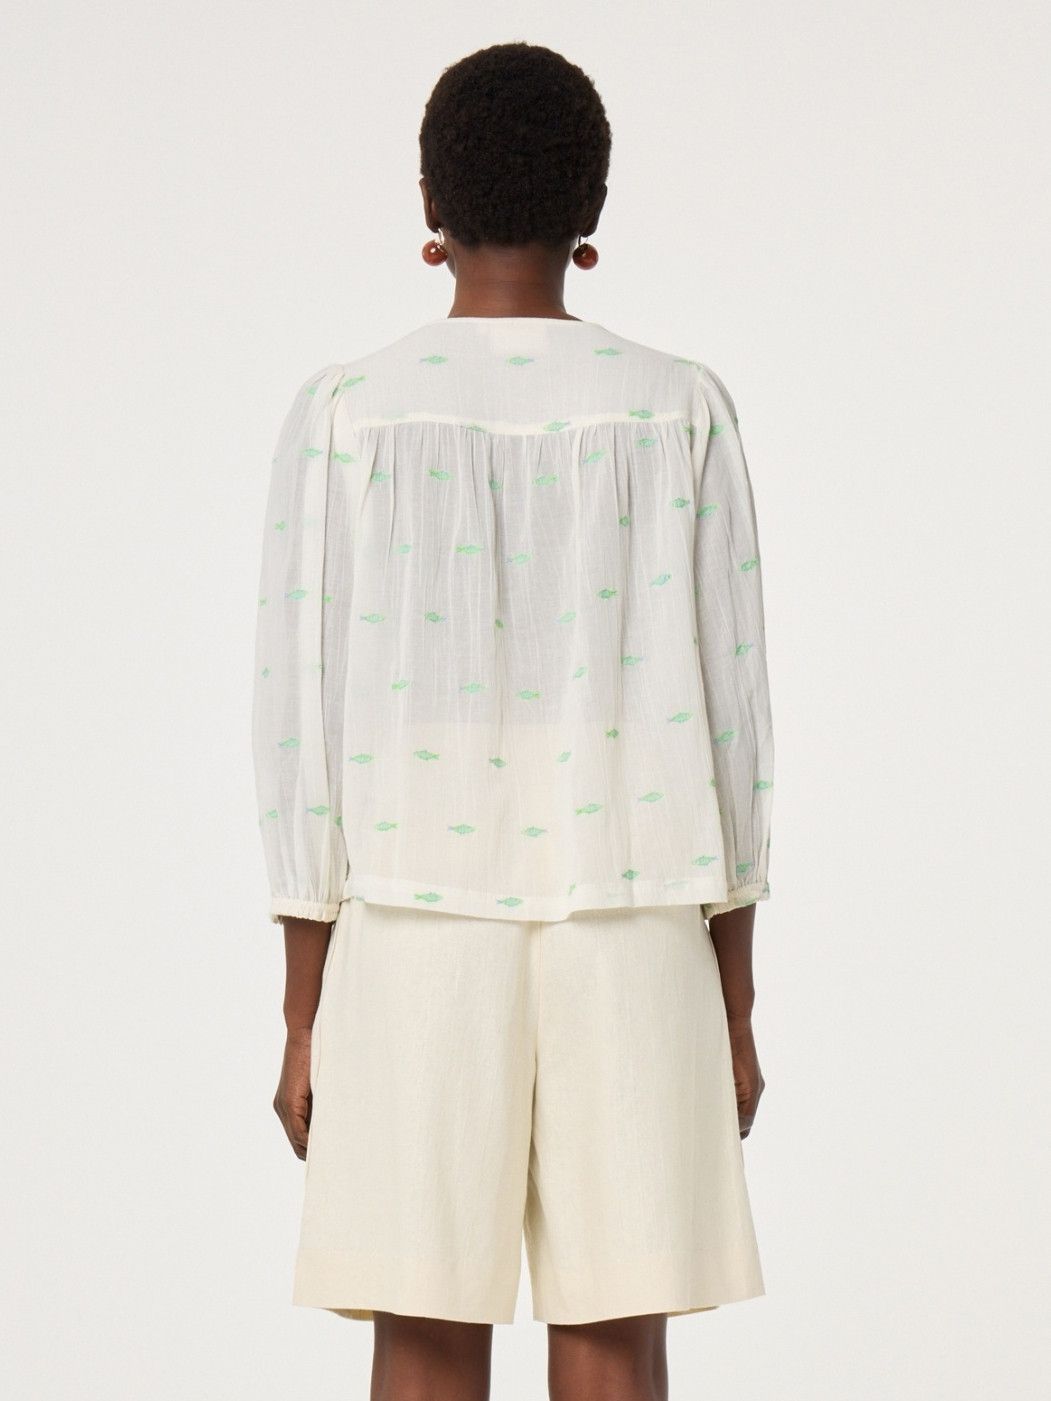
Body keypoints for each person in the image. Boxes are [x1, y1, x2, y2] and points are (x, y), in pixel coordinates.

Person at [251, 40, 774, 1401]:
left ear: (431, 208)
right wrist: (734, 1002)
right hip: (637, 919)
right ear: (590, 215)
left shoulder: (349, 413)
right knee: (616, 1337)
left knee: (424, 1333)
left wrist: (304, 1011)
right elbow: (733, 726)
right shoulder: (680, 408)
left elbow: (301, 726)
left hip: (415, 924)